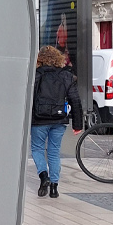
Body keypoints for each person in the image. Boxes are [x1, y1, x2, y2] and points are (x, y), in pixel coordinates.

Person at [31, 46, 83, 198]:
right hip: (59, 119)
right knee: (54, 152)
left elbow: (28, 99)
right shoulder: (67, 76)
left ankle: (43, 176)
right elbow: (75, 100)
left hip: (39, 119)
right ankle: (54, 188)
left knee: (37, 149)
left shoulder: (36, 75)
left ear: (40, 59)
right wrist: (77, 124)